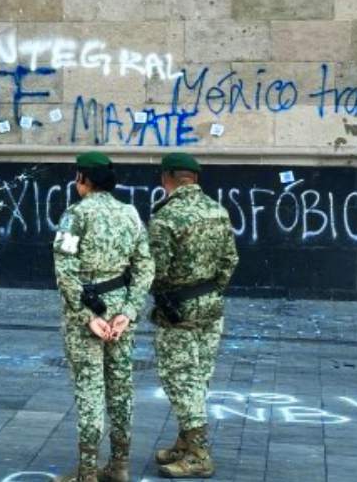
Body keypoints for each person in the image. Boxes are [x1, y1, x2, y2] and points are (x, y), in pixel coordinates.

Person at [52, 152, 154, 482]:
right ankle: (120, 466)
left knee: (89, 391)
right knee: (121, 389)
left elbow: (64, 270)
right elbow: (144, 266)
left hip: (88, 309)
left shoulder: (74, 215)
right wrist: (128, 311)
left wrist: (85, 316)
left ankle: (87, 472)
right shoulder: (130, 213)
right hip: (120, 308)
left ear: (84, 179)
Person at [148, 153, 238, 479]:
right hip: (211, 305)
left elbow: (155, 271)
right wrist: (211, 290)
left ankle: (199, 454)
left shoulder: (166, 218)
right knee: (198, 375)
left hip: (178, 311)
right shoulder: (218, 210)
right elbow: (230, 260)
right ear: (195, 179)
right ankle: (185, 442)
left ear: (166, 179)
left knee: (179, 377)